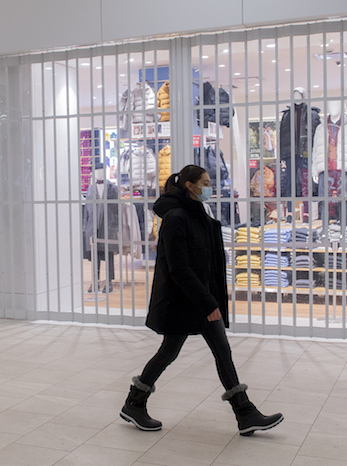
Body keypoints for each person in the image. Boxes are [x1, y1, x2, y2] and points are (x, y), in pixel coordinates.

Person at [120, 164, 283, 436]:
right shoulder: (176, 218)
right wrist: (208, 304)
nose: (210, 188)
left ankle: (245, 414)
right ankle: (134, 404)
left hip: (202, 299)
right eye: (205, 182)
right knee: (169, 352)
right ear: (189, 185)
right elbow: (179, 269)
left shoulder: (198, 214)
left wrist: (212, 298)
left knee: (220, 351)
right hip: (183, 301)